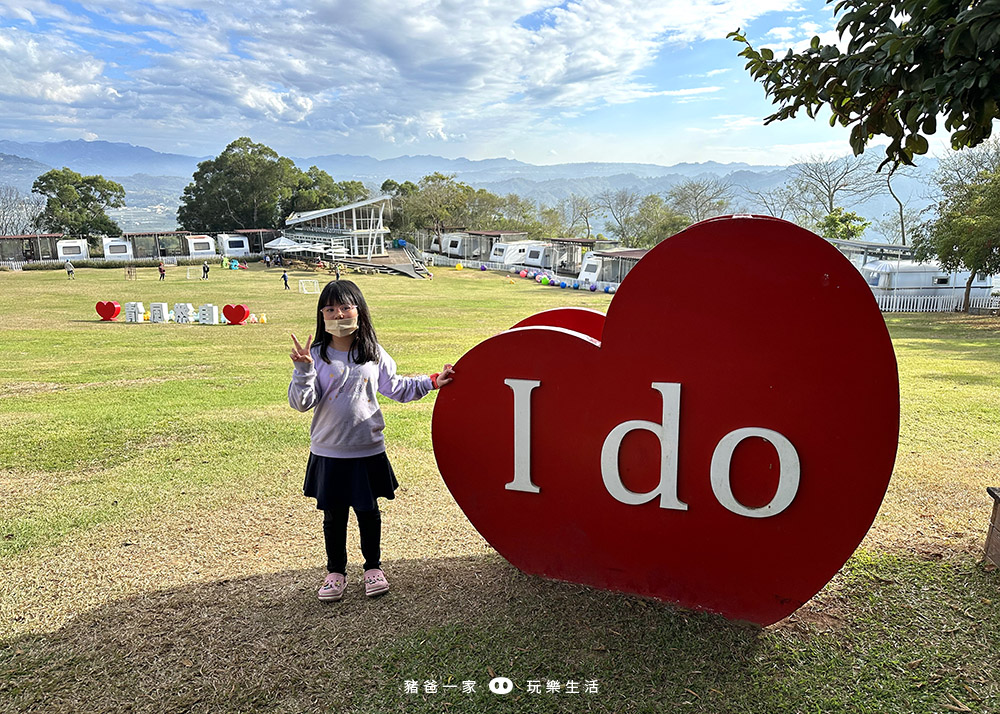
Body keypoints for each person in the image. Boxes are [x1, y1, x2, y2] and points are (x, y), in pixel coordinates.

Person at [288, 280, 454, 602]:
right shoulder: (317, 357)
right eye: (331, 309)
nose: (339, 314)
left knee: (368, 511)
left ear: (360, 312)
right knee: (333, 515)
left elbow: (398, 387)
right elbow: (302, 402)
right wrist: (303, 370)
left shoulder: (373, 353)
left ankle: (372, 568)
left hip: (367, 449)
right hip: (330, 451)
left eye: (346, 307)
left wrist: (434, 381)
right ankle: (335, 572)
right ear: (322, 315)